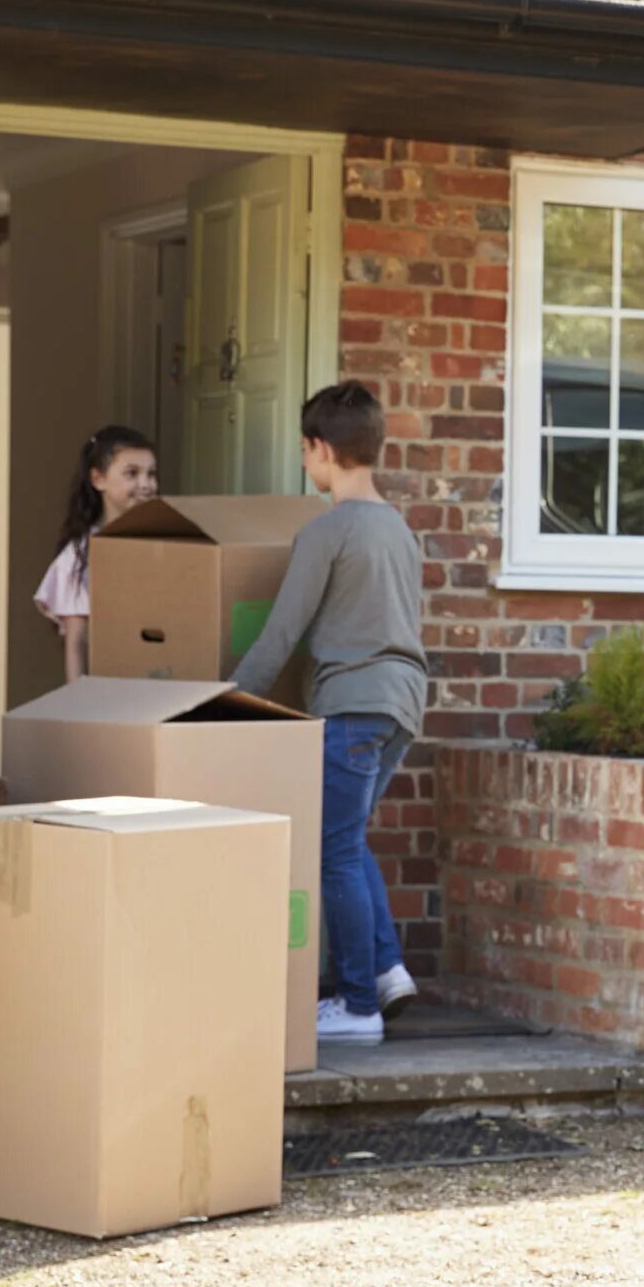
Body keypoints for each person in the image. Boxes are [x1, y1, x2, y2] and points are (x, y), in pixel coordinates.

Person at [231, 383, 429, 1043]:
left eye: (304, 450)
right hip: (401, 703)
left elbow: (280, 633)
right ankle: (386, 970)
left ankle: (355, 1005)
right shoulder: (399, 529)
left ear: (319, 450)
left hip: (351, 703)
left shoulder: (325, 532)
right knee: (350, 839)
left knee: (332, 847)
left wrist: (222, 703)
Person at [34, 425, 157, 682]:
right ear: (98, 479)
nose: (146, 484)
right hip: (110, 687)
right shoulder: (80, 555)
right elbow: (76, 641)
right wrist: (77, 704)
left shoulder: (161, 543)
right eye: (131, 474)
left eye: (151, 474)